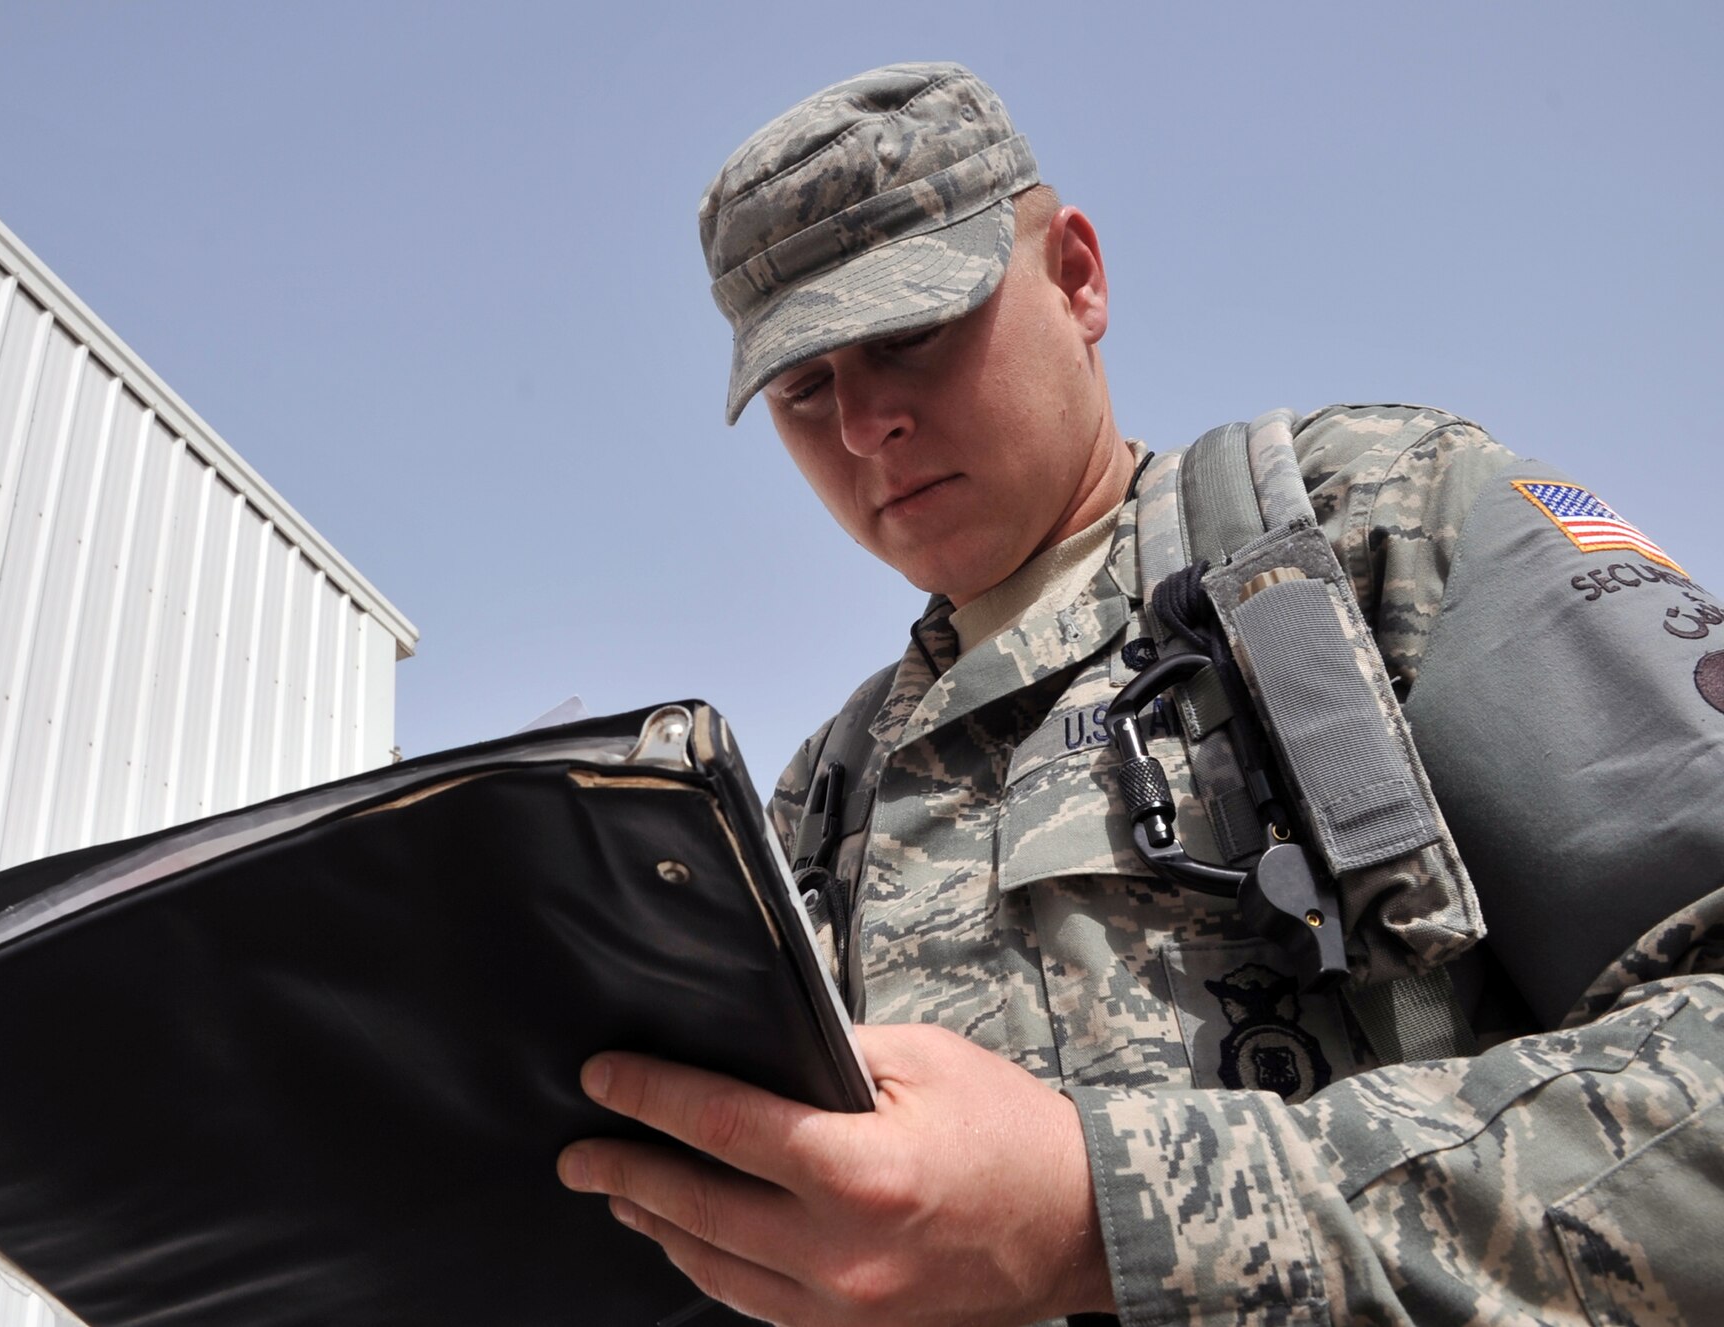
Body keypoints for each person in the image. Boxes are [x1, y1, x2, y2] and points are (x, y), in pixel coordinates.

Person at [558, 63, 1724, 1326]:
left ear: (1075, 276)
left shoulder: (1366, 523)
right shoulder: (820, 794)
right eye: (802, 390)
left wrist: (1105, 1215)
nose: (862, 426)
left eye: (907, 331)